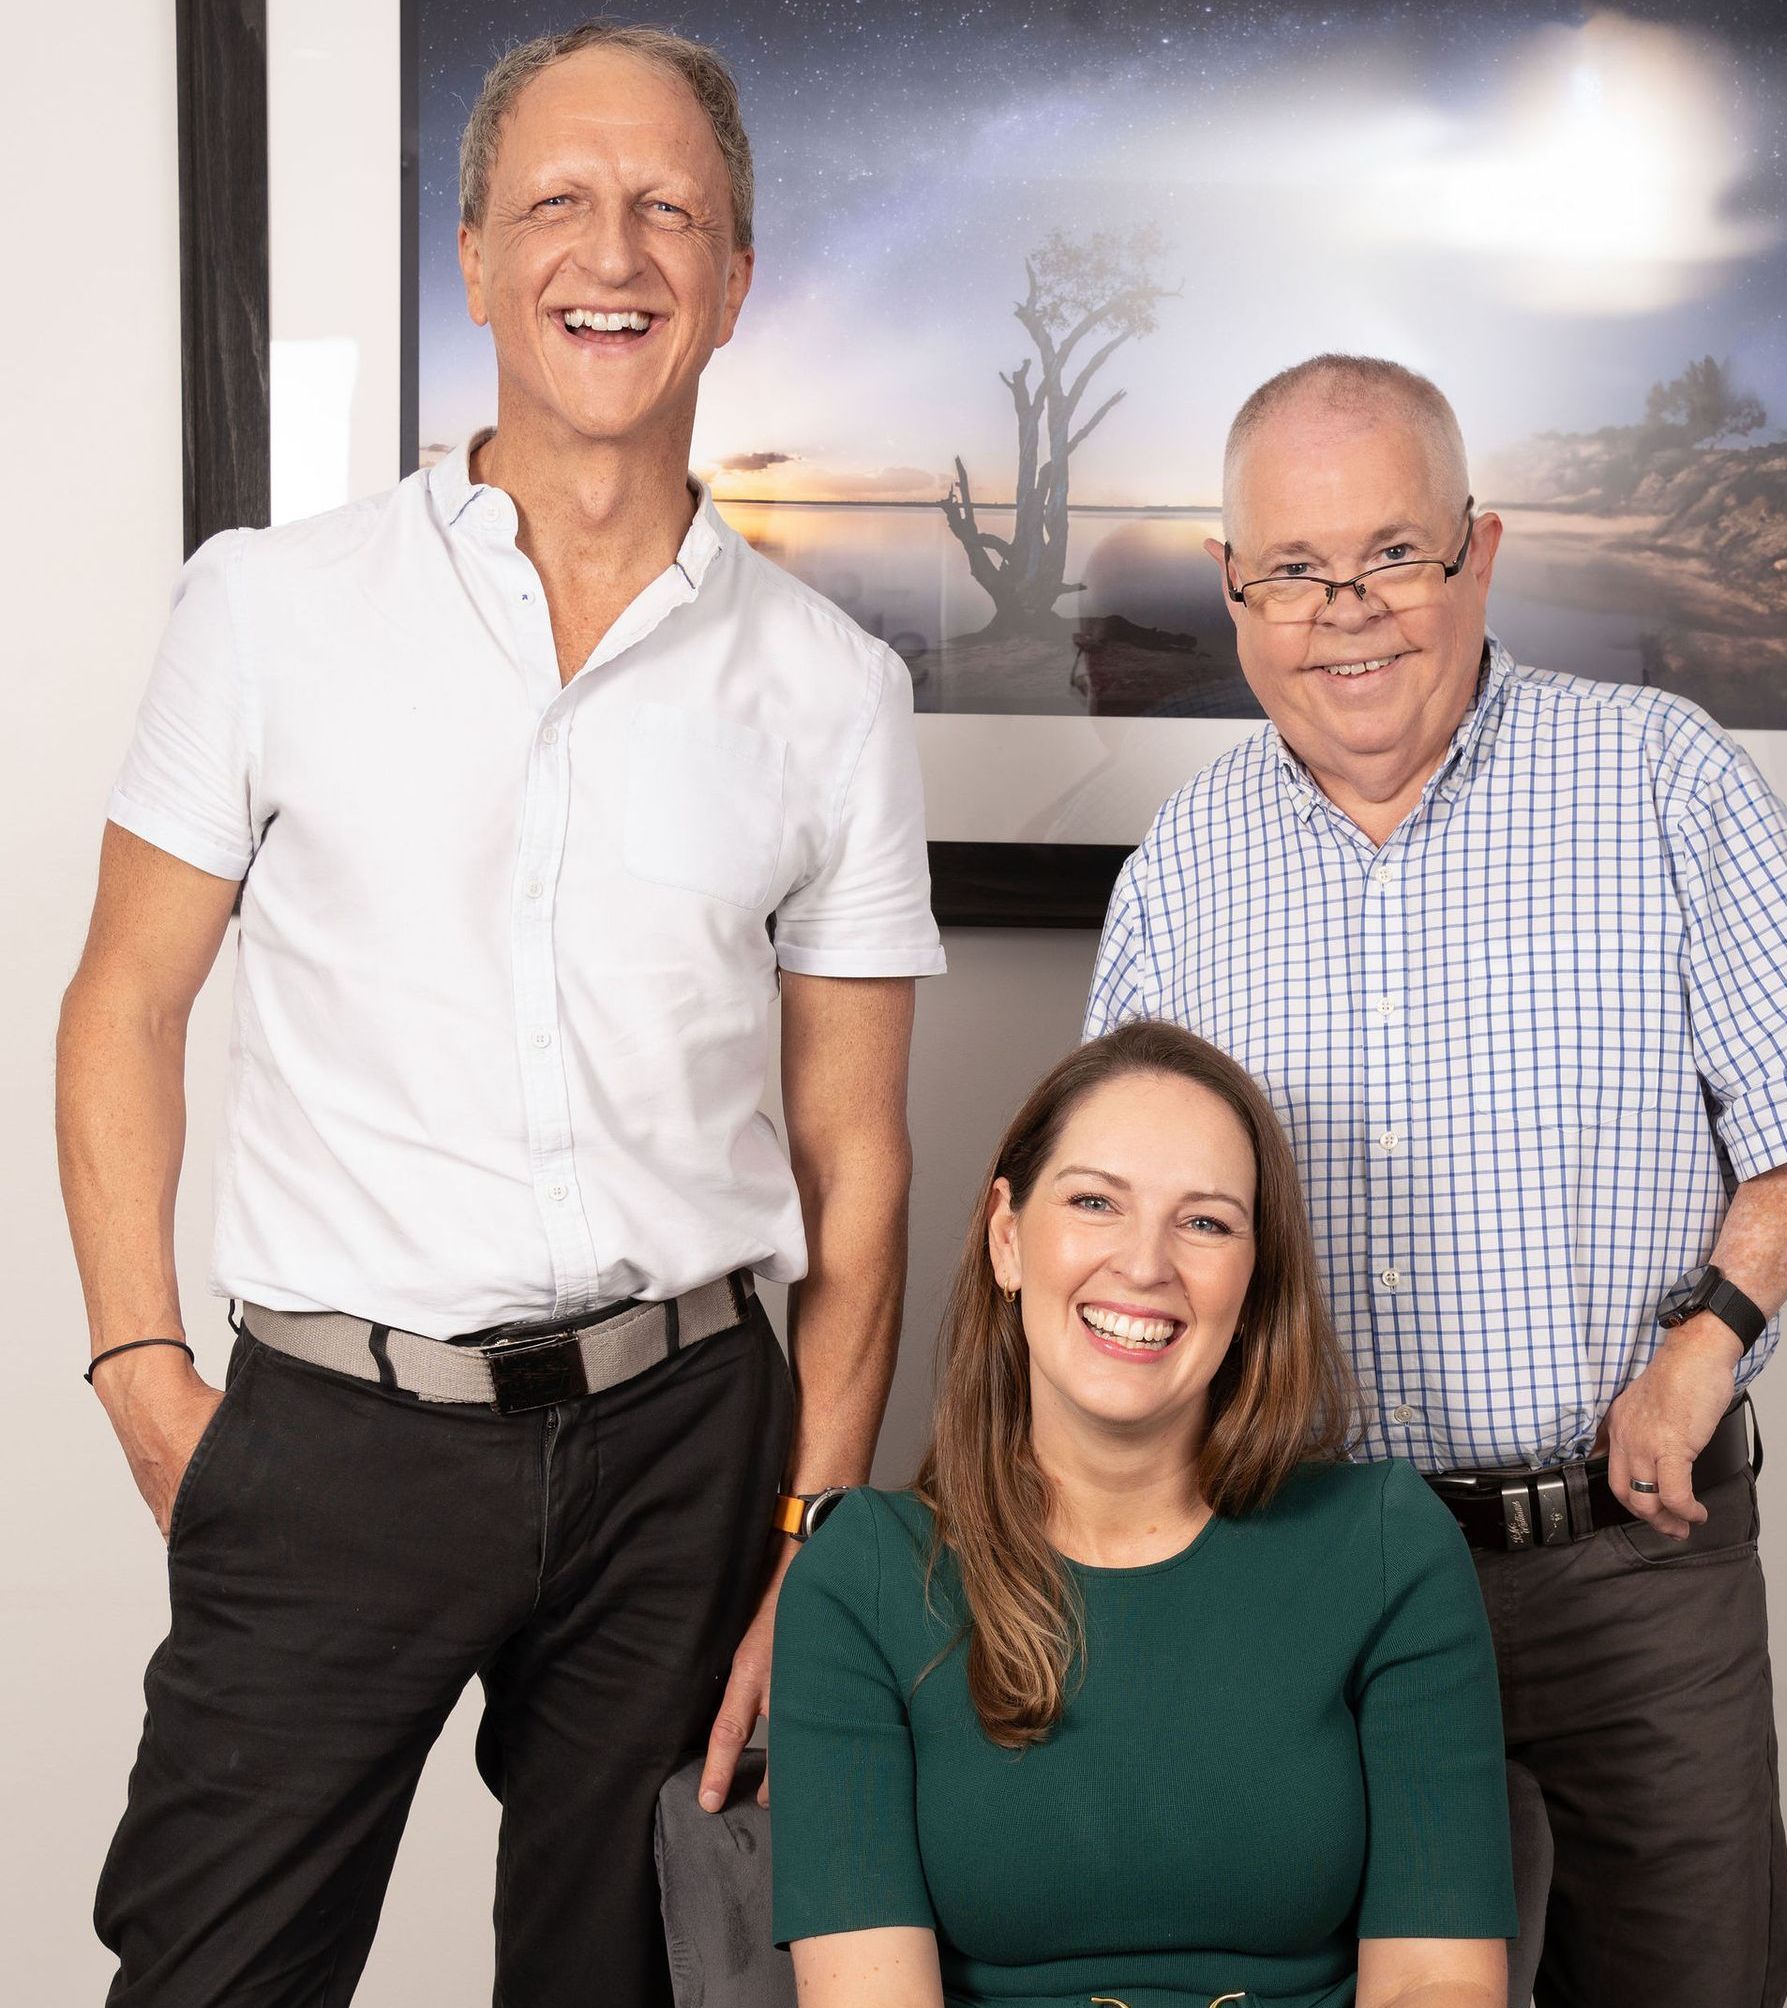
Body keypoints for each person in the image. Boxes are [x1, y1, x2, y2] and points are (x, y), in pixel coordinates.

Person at [57, 23, 943, 2006]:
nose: (607, 249)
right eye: (554, 201)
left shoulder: (828, 690)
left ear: (732, 276)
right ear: (470, 257)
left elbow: (855, 1158)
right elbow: (122, 1001)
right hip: (333, 1440)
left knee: (632, 1978)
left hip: (684, 1449)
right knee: (208, 1973)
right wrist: (137, 1368)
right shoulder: (267, 608)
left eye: (665, 210)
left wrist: (815, 1526)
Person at [1084, 354, 1787, 2008]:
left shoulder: (1662, 773)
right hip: (1299, 1586)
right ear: (1231, 588)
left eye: (1394, 552)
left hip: (1626, 1572)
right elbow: (1115, 1244)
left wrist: (1705, 1347)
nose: (1349, 611)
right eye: (1297, 569)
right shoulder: (1184, 869)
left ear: (1481, 549)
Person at [770, 1020, 1516, 2008]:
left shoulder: (1388, 1545)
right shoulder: (858, 1578)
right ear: (1007, 1238)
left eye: (1205, 1222)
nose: (1146, 1263)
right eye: (1094, 1202)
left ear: (1254, 1282)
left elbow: (1440, 1982)